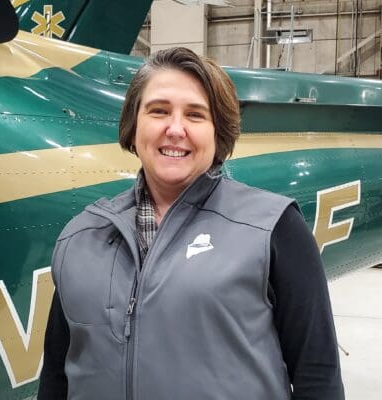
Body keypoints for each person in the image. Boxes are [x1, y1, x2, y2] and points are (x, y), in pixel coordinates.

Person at [38, 47, 344, 400]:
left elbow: (317, 373)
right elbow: (56, 376)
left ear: (218, 133)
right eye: (158, 111)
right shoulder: (82, 236)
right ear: (134, 126)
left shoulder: (274, 229)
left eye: (195, 115)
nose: (175, 129)